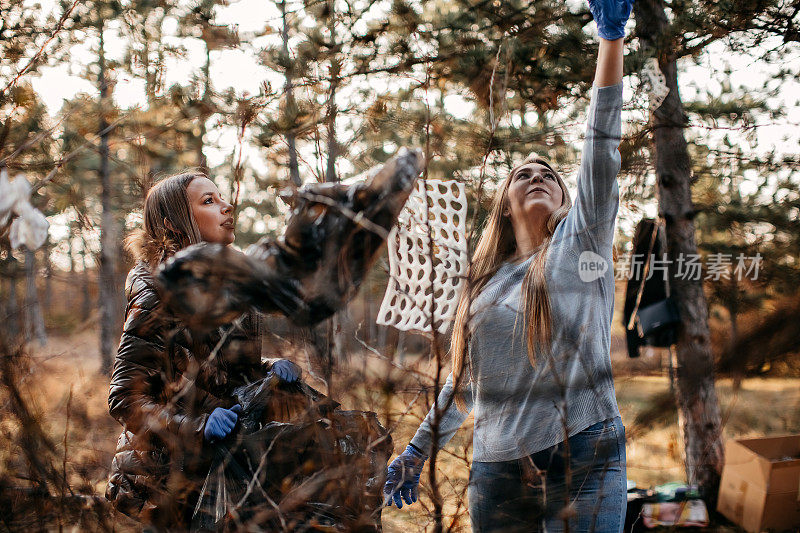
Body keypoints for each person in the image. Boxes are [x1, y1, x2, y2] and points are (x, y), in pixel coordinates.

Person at [383, 1, 634, 531]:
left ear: (569, 202)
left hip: (585, 449)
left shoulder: (580, 245)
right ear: (504, 202)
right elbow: (467, 387)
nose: (538, 175)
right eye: (523, 173)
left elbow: (601, 147)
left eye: (550, 174)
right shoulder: (482, 287)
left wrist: (610, 42)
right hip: (498, 466)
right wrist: (415, 450)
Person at [105, 171, 302, 529]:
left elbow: (217, 371)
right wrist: (197, 426)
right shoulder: (155, 291)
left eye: (221, 197)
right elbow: (125, 399)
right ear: (175, 223)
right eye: (208, 201)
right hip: (169, 483)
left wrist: (270, 370)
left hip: (222, 474)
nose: (227, 206)